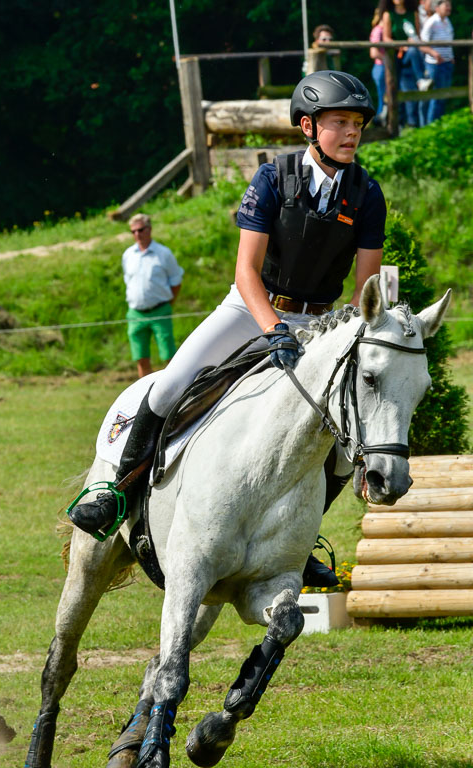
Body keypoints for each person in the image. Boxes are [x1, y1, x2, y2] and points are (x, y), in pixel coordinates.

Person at [69, 70, 387, 586]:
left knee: (339, 447)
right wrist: (273, 327)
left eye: (357, 124)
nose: (352, 132)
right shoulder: (271, 179)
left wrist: (348, 332)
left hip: (322, 319)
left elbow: (366, 281)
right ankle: (117, 492)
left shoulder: (367, 194)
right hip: (250, 307)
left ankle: (300, 540)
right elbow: (245, 270)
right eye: (340, 122)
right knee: (171, 383)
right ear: (308, 126)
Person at [123, 213, 184, 378]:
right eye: (133, 231)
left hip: (160, 310)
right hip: (136, 313)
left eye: (140, 230)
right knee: (140, 357)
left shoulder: (163, 253)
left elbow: (176, 281)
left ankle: (174, 390)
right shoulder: (128, 255)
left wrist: (169, 303)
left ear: (149, 229)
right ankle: (144, 395)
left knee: (169, 356)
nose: (137, 234)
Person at [380, 0, 434, 127]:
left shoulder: (412, 13)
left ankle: (412, 123)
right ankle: (394, 122)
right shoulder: (388, 14)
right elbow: (386, 37)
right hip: (395, 56)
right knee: (395, 88)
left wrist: (412, 42)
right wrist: (401, 45)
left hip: (411, 56)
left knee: (409, 90)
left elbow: (417, 36)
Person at [421, 0, 454, 124]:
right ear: (437, 7)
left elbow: (448, 42)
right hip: (434, 64)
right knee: (435, 95)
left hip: (447, 63)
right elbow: (422, 43)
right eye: (446, 5)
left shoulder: (447, 22)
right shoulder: (432, 22)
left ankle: (439, 123)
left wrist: (451, 57)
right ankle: (431, 124)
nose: (449, 7)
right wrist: (434, 53)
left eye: (450, 5)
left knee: (444, 95)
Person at [370, 8, 388, 126]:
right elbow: (374, 53)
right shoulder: (378, 30)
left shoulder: (383, 30)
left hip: (383, 67)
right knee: (383, 96)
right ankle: (379, 121)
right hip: (380, 67)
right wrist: (388, 60)